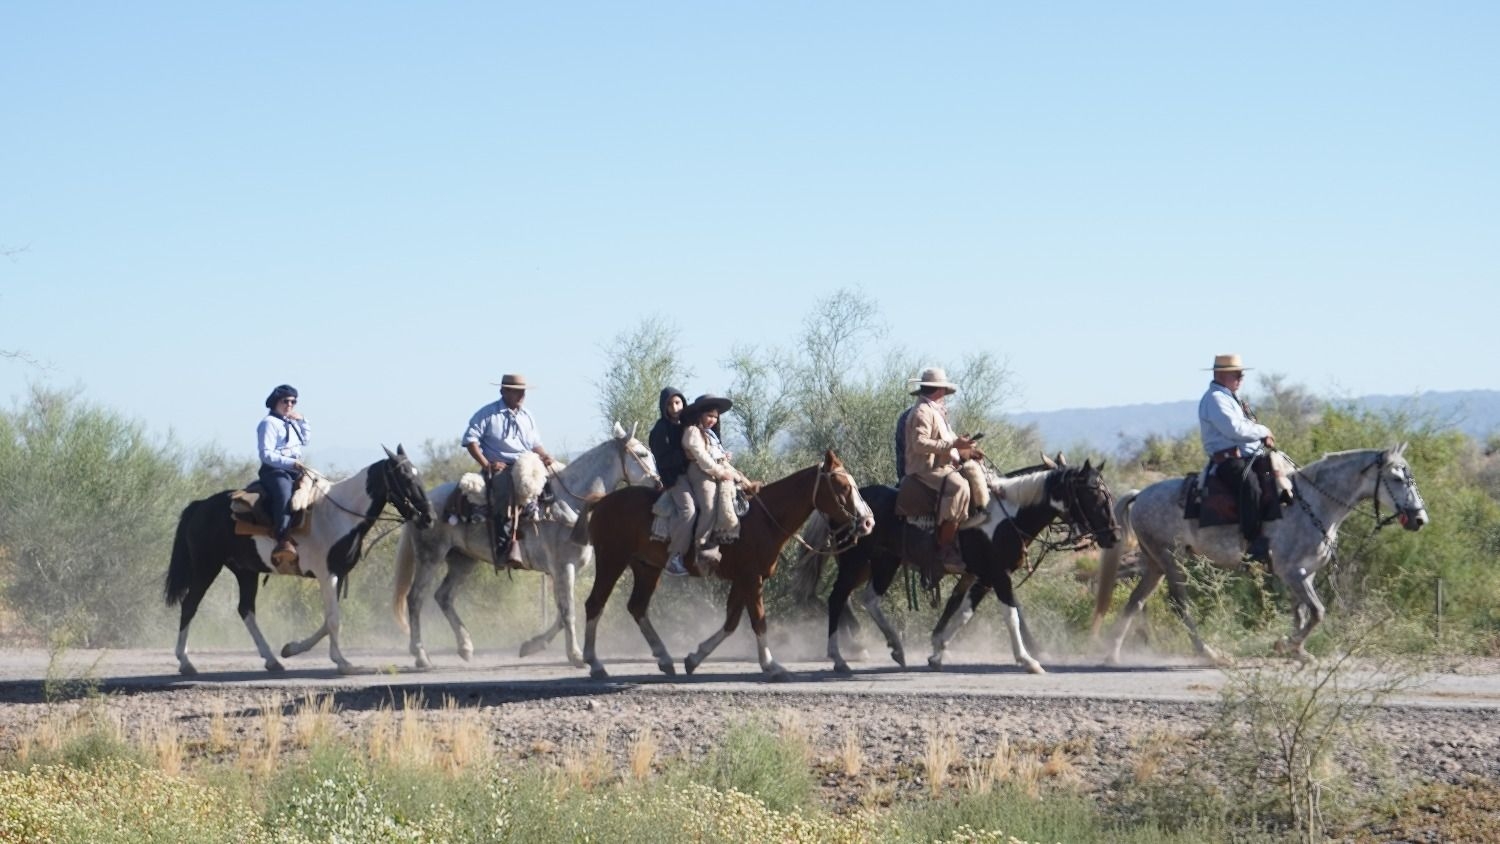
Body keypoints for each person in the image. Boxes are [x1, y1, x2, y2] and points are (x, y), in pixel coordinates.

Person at [463, 374, 554, 560]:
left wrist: (544, 455)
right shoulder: (487, 414)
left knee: (552, 487)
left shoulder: (527, 415)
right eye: (516, 391)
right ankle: (503, 547)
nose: (521, 395)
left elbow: (535, 443)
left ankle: (547, 539)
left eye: (523, 391)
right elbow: (470, 440)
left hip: (527, 464)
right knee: (503, 493)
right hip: (500, 467)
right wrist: (487, 464)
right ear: (503, 391)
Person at [1199, 354, 1276, 564]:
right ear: (1222, 374)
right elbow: (1234, 430)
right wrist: (1263, 431)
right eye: (1237, 374)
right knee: (1250, 485)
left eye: (1241, 374)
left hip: (1249, 455)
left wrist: (1262, 438)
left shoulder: (1231, 398)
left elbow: (1244, 429)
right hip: (1228, 460)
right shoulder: (1215, 399)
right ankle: (1254, 544)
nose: (1241, 378)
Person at [901, 368, 982, 567]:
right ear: (939, 391)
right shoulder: (922, 412)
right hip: (924, 469)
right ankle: (943, 546)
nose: (945, 394)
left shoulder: (935, 411)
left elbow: (948, 440)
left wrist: (966, 448)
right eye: (944, 390)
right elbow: (920, 444)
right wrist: (954, 445)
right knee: (959, 487)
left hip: (940, 465)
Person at [676, 394, 759, 574]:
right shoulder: (692, 431)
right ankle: (701, 546)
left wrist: (727, 463)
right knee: (709, 503)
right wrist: (720, 472)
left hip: (715, 469)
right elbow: (701, 456)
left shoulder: (710, 434)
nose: (712, 420)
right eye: (709, 415)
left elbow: (713, 453)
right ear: (700, 415)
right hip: (699, 471)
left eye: (715, 416)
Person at [257, 384, 309, 567]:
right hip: (275, 470)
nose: (290, 405)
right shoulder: (268, 423)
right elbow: (266, 454)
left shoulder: (291, 422)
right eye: (285, 401)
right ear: (275, 402)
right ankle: (282, 539)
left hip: (295, 469)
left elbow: (305, 440)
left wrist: (302, 421)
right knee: (284, 493)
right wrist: (290, 463)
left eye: (293, 402)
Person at [648, 387, 697, 576]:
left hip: (693, 474)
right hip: (675, 478)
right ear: (664, 407)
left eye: (678, 402)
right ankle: (675, 556)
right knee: (688, 510)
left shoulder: (688, 424)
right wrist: (684, 456)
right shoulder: (660, 430)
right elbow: (662, 460)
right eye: (670, 404)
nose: (675, 407)